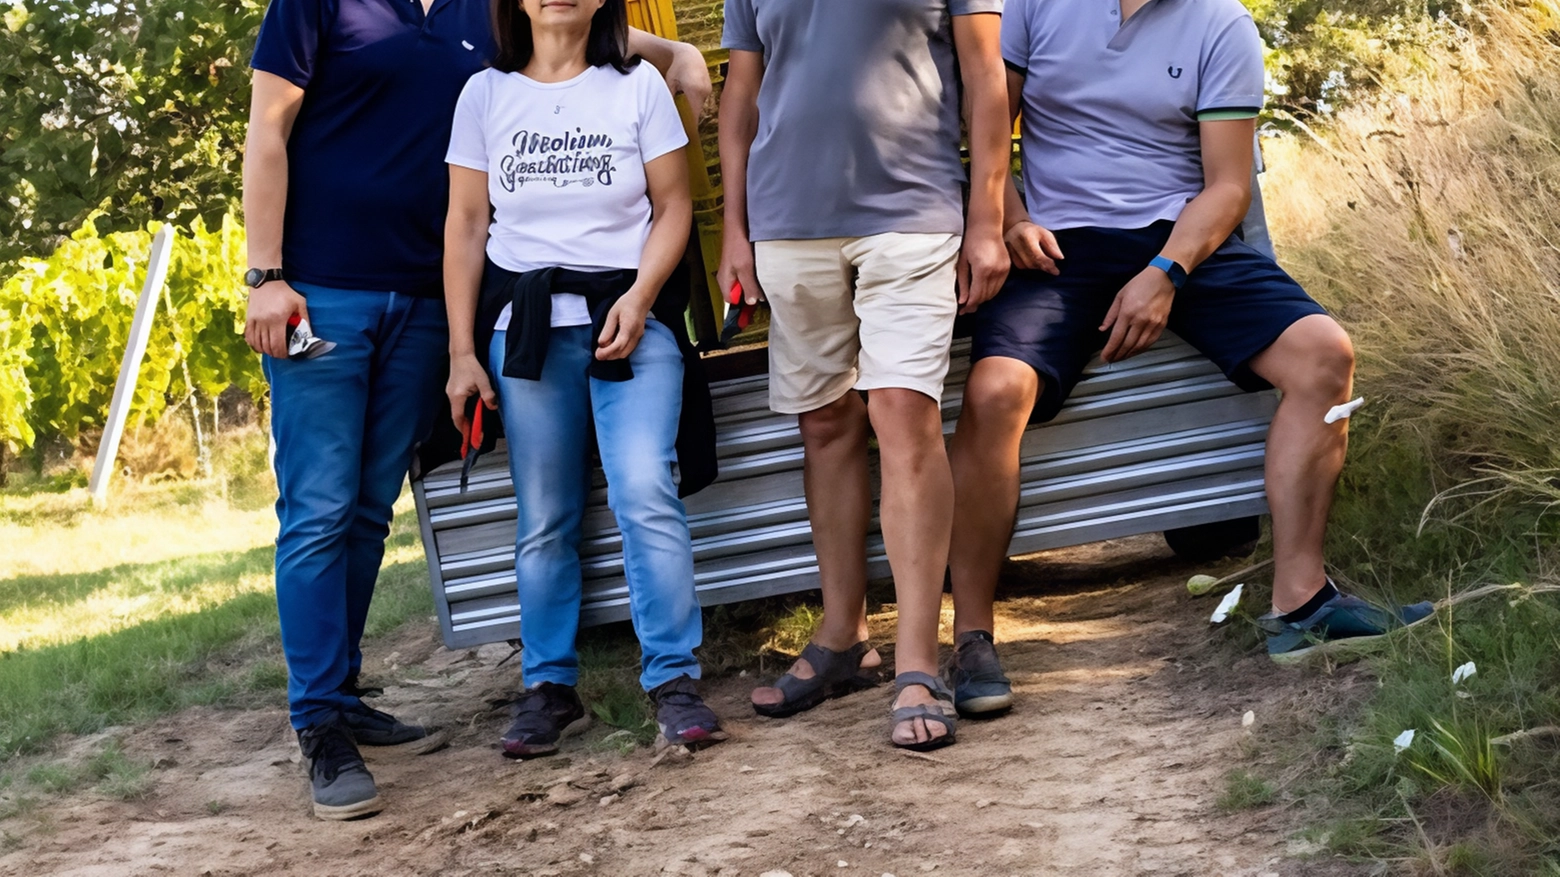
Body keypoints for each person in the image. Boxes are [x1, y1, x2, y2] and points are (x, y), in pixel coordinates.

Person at [242, 0, 711, 819]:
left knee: (363, 511)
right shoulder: (321, 7)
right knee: (318, 508)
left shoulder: (476, 12)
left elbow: (571, 25)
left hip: (424, 303)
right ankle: (320, 722)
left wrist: (678, 51)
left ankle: (343, 692)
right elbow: (269, 129)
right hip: (320, 299)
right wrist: (264, 274)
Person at [943, 0, 1436, 716]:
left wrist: (1165, 272)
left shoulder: (1221, 25)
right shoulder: (1033, 8)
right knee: (992, 392)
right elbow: (987, 128)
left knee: (1325, 355)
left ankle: (1302, 604)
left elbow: (1228, 186)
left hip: (1178, 238)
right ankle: (973, 636)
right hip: (1059, 244)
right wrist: (1011, 218)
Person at [717, 0, 1011, 751]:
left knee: (904, 417)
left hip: (912, 214)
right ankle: (844, 634)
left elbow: (985, 76)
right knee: (823, 422)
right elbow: (741, 96)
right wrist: (736, 233)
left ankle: (917, 660)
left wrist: (987, 218)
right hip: (787, 221)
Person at [442, 0, 724, 762]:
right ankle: (548, 687)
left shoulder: (635, 88)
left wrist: (639, 297)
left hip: (629, 321)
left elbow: (672, 208)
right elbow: (466, 226)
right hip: (525, 335)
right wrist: (463, 351)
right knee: (544, 517)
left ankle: (674, 681)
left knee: (643, 489)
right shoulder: (484, 96)